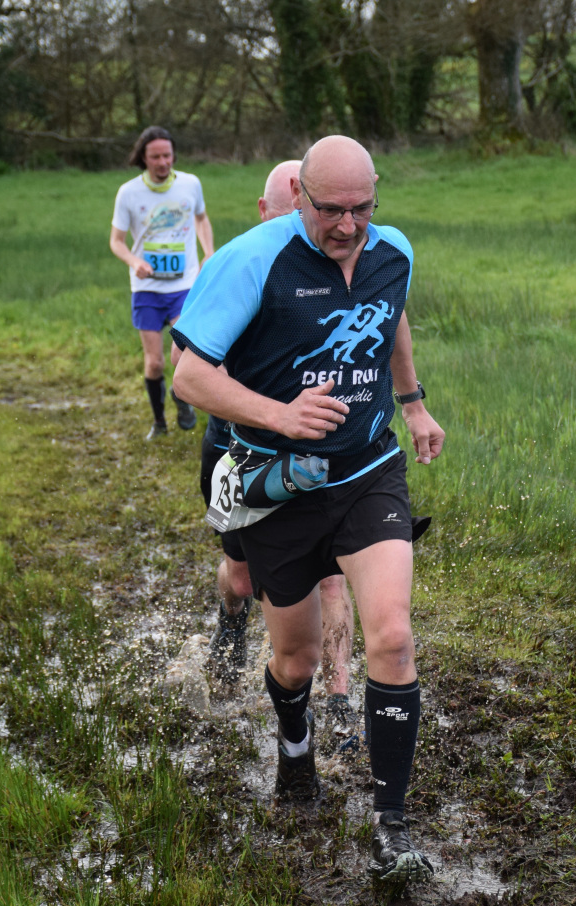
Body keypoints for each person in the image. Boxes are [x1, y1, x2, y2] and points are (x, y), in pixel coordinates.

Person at [172, 136, 445, 889]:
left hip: (368, 472)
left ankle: (393, 831)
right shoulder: (251, 262)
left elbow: (391, 318)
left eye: (363, 208)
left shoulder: (394, 251)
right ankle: (295, 748)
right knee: (295, 660)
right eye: (332, 210)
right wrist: (281, 415)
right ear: (299, 198)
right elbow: (189, 375)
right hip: (281, 487)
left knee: (393, 637)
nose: (348, 226)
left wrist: (413, 404)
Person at [194, 160, 358, 739]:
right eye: (289, 215)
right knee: (241, 578)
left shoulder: (338, 268)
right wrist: (273, 412)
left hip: (321, 451)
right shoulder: (237, 265)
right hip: (237, 450)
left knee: (330, 576)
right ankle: (231, 617)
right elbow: (195, 368)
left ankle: (338, 698)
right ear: (266, 211)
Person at [109, 125, 215, 439]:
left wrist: (209, 252)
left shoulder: (190, 184)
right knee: (154, 363)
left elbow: (201, 218)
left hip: (184, 285)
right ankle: (159, 423)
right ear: (143, 158)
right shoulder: (128, 192)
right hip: (147, 289)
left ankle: (181, 398)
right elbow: (116, 241)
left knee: (185, 354)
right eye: (155, 157)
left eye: (167, 155)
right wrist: (135, 262)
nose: (163, 162)